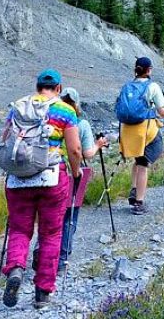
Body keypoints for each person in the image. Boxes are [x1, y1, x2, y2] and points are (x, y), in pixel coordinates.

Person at [0, 69, 82, 309]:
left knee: (19, 228)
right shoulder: (65, 110)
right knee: (51, 233)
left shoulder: (18, 107)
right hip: (51, 177)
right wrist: (76, 172)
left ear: (37, 87)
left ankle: (15, 268)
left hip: (18, 179)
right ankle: (42, 292)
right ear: (58, 88)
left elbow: (6, 139)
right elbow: (75, 149)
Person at [32, 87, 108, 275]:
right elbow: (87, 154)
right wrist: (99, 145)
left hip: (46, 173)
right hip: (71, 172)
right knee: (69, 217)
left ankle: (39, 251)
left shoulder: (47, 115)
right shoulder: (80, 123)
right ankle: (62, 259)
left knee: (48, 217)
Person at [119, 57, 164, 216]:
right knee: (145, 162)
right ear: (149, 70)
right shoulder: (152, 86)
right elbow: (161, 110)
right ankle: (139, 202)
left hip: (128, 130)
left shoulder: (127, 86)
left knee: (138, 160)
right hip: (144, 130)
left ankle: (134, 189)